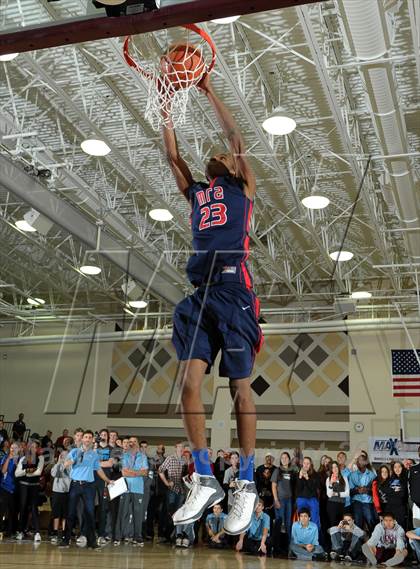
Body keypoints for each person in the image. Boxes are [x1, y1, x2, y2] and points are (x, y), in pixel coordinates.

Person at [163, 72, 262, 535]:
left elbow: (235, 136)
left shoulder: (243, 187)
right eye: (218, 156)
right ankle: (204, 478)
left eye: (225, 155)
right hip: (200, 296)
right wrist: (165, 107)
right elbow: (172, 154)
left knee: (241, 389)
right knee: (187, 385)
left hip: (235, 292)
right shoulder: (196, 192)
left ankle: (245, 481)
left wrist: (207, 90)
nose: (221, 153)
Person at [59, 430, 113, 550]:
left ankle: (92, 542)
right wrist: (75, 457)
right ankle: (66, 540)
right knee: (71, 513)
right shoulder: (75, 451)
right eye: (86, 437)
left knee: (90, 513)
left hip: (89, 486)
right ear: (82, 439)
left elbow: (98, 470)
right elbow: (67, 463)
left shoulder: (94, 454)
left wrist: (108, 480)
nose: (87, 439)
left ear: (92, 440)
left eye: (90, 437)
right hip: (75, 485)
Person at [115, 436, 148, 547]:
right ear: (128, 444)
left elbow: (145, 472)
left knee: (137, 514)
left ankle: (137, 537)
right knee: (122, 513)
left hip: (138, 488)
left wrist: (132, 472)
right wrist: (137, 472)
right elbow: (124, 473)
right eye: (130, 442)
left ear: (137, 444)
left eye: (134, 442)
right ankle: (118, 537)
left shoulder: (142, 456)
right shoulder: (124, 456)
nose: (132, 443)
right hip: (125, 488)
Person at [15, 438, 44, 542]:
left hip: (34, 486)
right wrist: (28, 470)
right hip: (23, 486)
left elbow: (38, 472)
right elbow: (17, 474)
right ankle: (21, 531)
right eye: (31, 446)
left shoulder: (40, 458)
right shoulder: (23, 458)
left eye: (35, 447)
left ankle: (37, 532)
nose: (33, 448)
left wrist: (25, 472)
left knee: (33, 508)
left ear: (37, 449)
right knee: (23, 508)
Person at [349, 454, 377, 533]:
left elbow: (375, 492)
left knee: (370, 521)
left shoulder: (372, 475)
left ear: (366, 462)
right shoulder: (352, 475)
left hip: (368, 502)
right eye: (358, 460)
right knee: (357, 523)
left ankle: (372, 542)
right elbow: (350, 492)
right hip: (356, 502)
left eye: (361, 460)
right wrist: (357, 491)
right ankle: (358, 543)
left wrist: (367, 490)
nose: (359, 462)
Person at [271, 451, 296, 537]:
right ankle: (278, 545)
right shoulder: (277, 470)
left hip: (289, 500)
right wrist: (276, 500)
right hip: (280, 499)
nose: (284, 459)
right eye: (282, 458)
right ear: (280, 460)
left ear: (289, 460)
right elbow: (273, 486)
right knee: (280, 523)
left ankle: (288, 545)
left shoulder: (292, 471)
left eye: (286, 458)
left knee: (288, 523)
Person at [50, 450, 71, 543]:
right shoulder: (57, 465)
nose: (63, 457)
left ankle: (63, 533)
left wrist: (66, 465)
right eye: (62, 455)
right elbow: (54, 474)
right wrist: (59, 463)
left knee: (65, 514)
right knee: (56, 513)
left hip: (66, 492)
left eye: (65, 455)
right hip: (56, 492)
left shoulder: (71, 467)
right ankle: (55, 533)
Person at [0, 442, 20, 537]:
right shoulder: (5, 457)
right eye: (11, 448)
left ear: (19, 449)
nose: (13, 449)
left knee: (13, 511)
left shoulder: (20, 460)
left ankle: (10, 531)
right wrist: (8, 458)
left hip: (15, 489)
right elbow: (3, 471)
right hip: (4, 487)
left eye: (15, 448)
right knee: (2, 510)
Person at [295, 456, 320, 529]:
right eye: (304, 463)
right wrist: (300, 477)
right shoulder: (298, 474)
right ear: (302, 464)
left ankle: (314, 537)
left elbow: (314, 488)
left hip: (312, 499)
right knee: (302, 519)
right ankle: (302, 537)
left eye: (308, 463)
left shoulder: (315, 474)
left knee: (314, 519)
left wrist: (307, 478)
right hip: (301, 499)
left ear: (311, 465)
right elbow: (298, 489)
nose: (305, 465)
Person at [326, 460, 350, 527]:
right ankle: (331, 538)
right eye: (332, 467)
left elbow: (347, 493)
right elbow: (329, 494)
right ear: (331, 469)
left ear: (338, 467)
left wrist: (337, 494)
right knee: (332, 524)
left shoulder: (344, 478)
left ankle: (339, 537)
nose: (335, 469)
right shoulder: (328, 479)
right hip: (332, 504)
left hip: (342, 504)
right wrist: (331, 483)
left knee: (341, 525)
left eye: (336, 466)